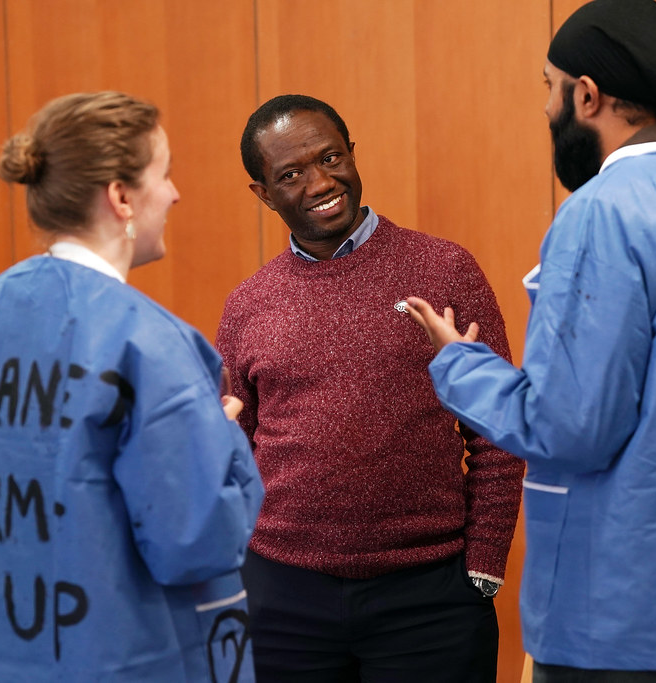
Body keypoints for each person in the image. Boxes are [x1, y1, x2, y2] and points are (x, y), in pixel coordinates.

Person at [405, 1, 656, 681]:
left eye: (548, 89)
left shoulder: (603, 211)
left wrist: (457, 363)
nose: (547, 110)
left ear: (586, 94)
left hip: (627, 620)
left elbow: (570, 425)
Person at [0, 91, 264, 682]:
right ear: (121, 197)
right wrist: (218, 445)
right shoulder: (150, 345)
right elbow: (196, 540)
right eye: (164, 173)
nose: (175, 193)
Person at [216, 94, 524, 682]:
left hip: (429, 596)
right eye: (290, 174)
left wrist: (483, 564)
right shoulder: (248, 305)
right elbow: (237, 446)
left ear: (353, 154)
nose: (319, 182)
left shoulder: (444, 270)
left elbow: (498, 426)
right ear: (262, 192)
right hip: (283, 596)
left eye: (331, 157)